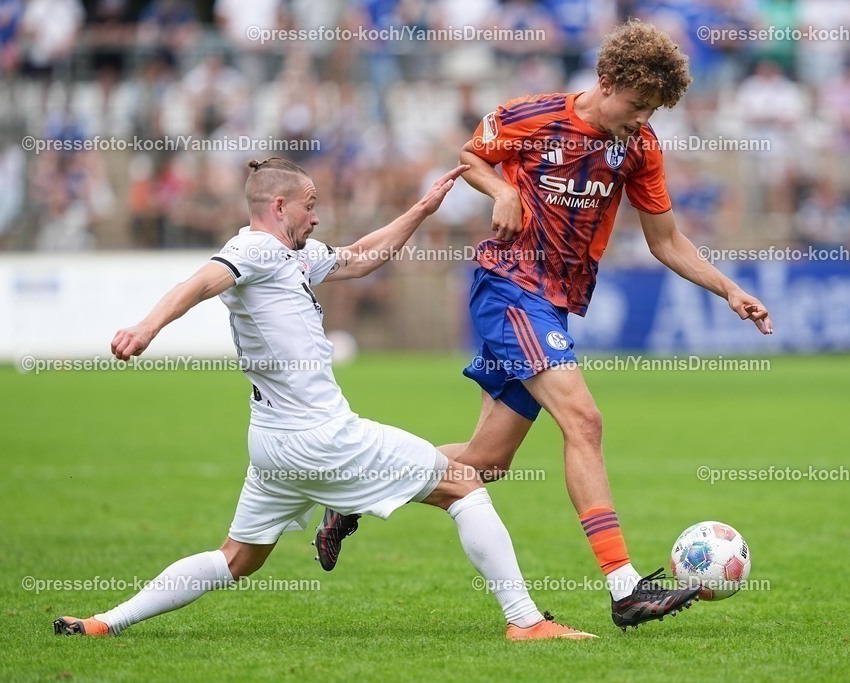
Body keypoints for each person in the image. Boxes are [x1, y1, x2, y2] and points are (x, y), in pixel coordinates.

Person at [316, 20, 773, 632]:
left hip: (551, 305)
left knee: (485, 462)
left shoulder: (639, 147)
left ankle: (349, 494)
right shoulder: (532, 116)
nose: (642, 119)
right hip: (509, 286)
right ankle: (624, 586)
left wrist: (730, 289)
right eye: (636, 106)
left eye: (653, 110)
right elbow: (471, 156)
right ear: (607, 82)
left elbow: (665, 239)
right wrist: (501, 190)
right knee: (583, 419)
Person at [53, 157, 594, 642]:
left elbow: (359, 258)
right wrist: (146, 328)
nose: (316, 218)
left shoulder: (294, 256)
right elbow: (200, 282)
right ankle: (526, 620)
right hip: (319, 436)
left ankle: (106, 622)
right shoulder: (255, 248)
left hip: (272, 444)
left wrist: (421, 210)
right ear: (280, 205)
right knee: (465, 484)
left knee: (237, 559)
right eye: (310, 207)